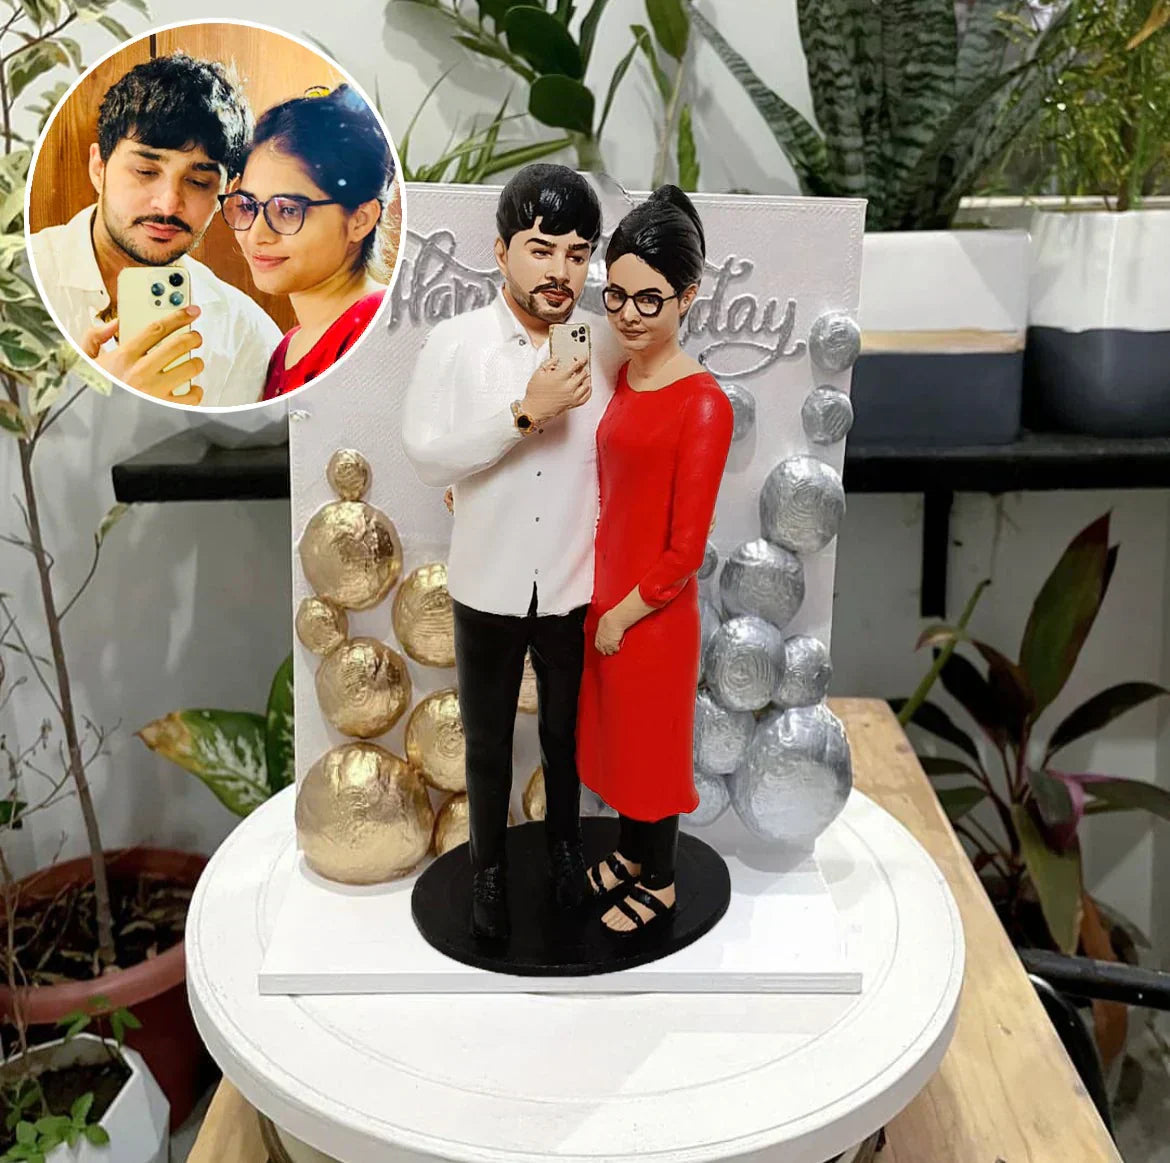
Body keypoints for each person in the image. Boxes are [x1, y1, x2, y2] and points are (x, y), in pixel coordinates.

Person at [401, 163, 621, 942]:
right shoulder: (455, 344)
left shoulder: (604, 350)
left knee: (567, 739)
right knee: (487, 744)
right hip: (486, 586)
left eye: (577, 253)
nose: (561, 270)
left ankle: (565, 852)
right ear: (501, 252)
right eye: (541, 248)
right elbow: (426, 454)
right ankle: (486, 871)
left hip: (573, 586)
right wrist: (523, 415)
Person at [576, 185, 734, 935]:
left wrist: (624, 615)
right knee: (619, 745)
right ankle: (633, 853)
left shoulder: (703, 404)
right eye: (616, 296)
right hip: (608, 595)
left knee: (652, 752)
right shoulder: (626, 378)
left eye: (649, 299)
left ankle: (663, 879)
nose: (629, 315)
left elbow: (685, 550)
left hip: (652, 613)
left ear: (688, 297)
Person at [28, 53, 282, 407]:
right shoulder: (19, 280)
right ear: (99, 168)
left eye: (197, 182)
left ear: (226, 191)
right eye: (146, 172)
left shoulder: (245, 334)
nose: (168, 205)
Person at [222, 85, 395, 400]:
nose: (256, 234)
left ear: (360, 220)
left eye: (288, 210)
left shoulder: (376, 323)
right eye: (248, 206)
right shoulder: (287, 348)